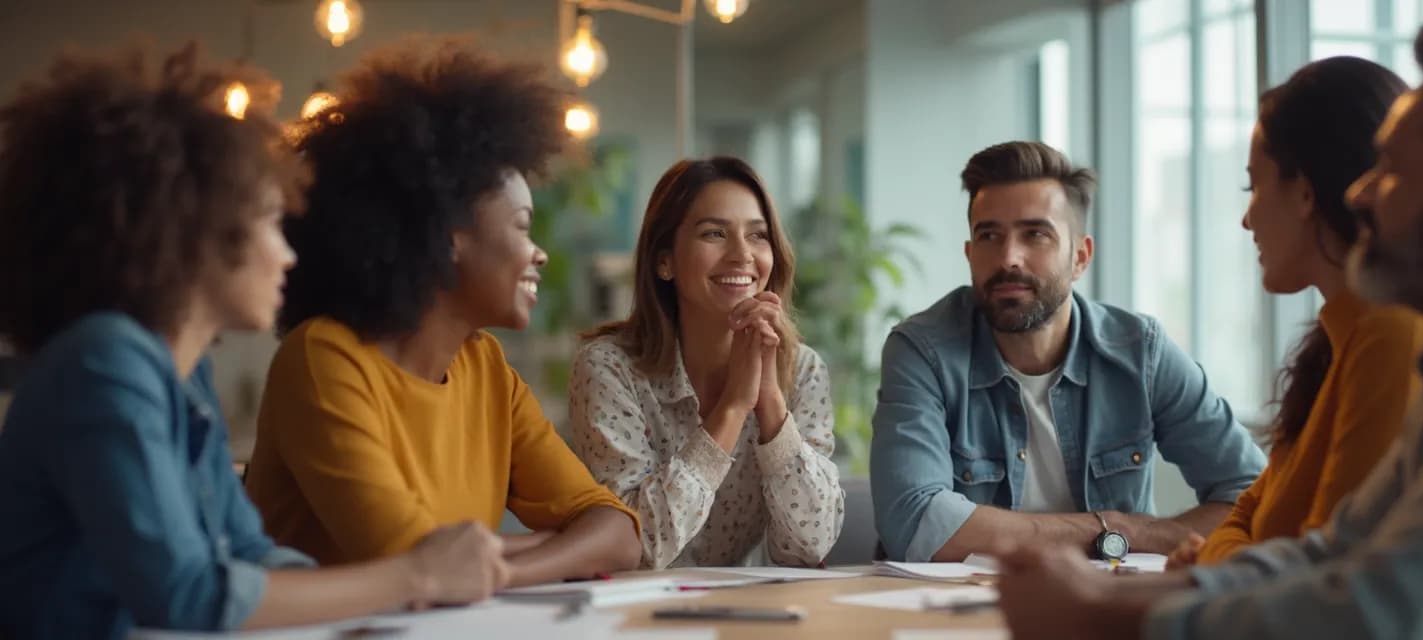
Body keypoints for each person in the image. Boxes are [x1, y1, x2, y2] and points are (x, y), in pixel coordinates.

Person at [996, 23, 1423, 640]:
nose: (1359, 193)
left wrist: (1107, 612)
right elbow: (1331, 551)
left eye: (1395, 173)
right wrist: (1101, 590)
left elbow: (1384, 608)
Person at [0, 43, 507, 639]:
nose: (288, 252)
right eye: (271, 220)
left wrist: (376, 599)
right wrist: (413, 578)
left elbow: (247, 551)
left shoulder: (182, 373)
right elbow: (187, 594)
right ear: (193, 233)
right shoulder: (105, 361)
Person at [242, 40, 641, 583]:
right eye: (522, 226)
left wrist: (495, 567)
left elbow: (617, 534)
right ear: (448, 236)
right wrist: (550, 550)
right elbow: (409, 559)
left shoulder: (487, 368)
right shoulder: (324, 357)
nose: (538, 251)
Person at [870, 141, 1266, 563]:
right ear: (970, 255)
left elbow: (1255, 498)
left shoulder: (1140, 352)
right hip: (954, 616)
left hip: (1109, 610)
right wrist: (1111, 530)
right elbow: (914, 522)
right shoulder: (923, 351)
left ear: (1080, 256)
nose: (1009, 258)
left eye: (1035, 234)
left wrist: (1130, 531)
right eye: (989, 235)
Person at [1163, 57, 1423, 570]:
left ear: (1305, 192)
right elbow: (1242, 517)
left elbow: (1323, 576)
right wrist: (1233, 561)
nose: (1246, 218)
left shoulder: (1392, 336)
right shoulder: (1335, 342)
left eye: (1253, 187)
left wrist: (1218, 564)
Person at [569, 157, 844, 568]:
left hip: (744, 618)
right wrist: (732, 408)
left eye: (758, 235)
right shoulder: (610, 369)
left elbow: (809, 546)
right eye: (714, 233)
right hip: (633, 617)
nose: (742, 255)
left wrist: (769, 400)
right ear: (665, 260)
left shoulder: (801, 370)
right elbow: (639, 549)